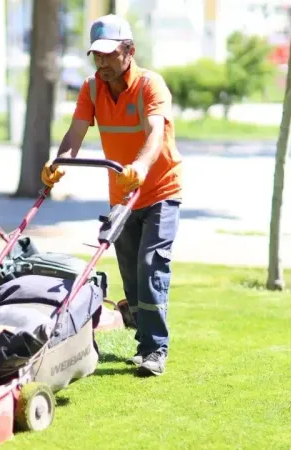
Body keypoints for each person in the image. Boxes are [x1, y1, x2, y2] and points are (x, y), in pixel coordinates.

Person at [41, 15, 182, 377]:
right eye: (96, 55)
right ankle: (135, 312)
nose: (101, 62)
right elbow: (75, 135)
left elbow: (154, 136)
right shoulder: (91, 89)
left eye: (108, 54)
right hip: (121, 192)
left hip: (160, 188)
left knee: (151, 266)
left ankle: (154, 350)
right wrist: (57, 163)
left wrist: (140, 165)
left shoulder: (152, 86)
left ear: (129, 51)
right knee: (133, 278)